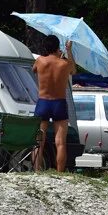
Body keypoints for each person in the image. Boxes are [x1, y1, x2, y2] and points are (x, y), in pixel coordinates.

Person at [32, 38, 75, 172]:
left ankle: (37, 170)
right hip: (59, 103)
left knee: (38, 141)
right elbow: (73, 70)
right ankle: (60, 172)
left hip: (43, 101)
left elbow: (34, 70)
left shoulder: (40, 60)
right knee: (60, 142)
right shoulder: (64, 63)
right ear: (58, 47)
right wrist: (68, 51)